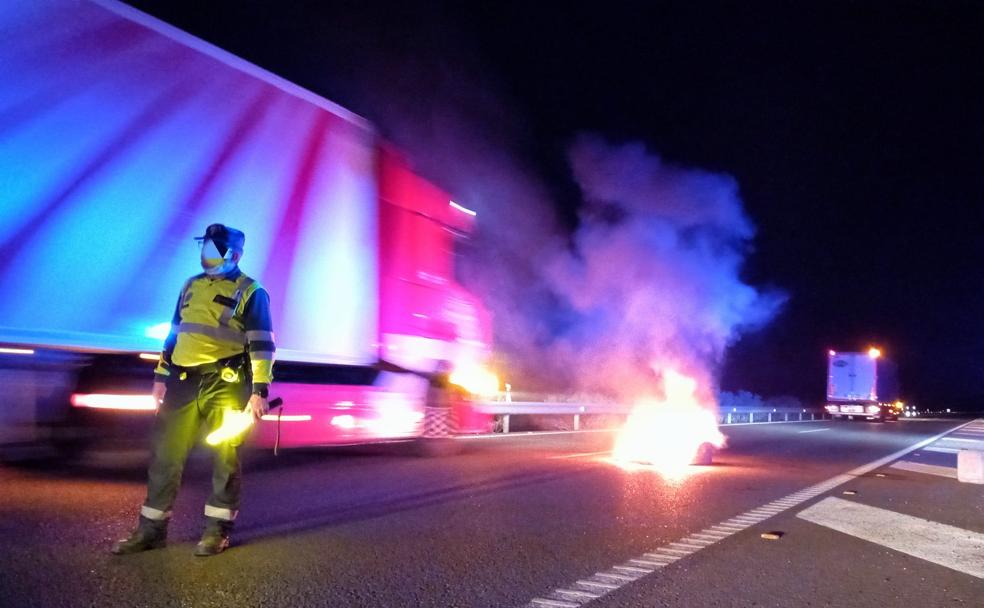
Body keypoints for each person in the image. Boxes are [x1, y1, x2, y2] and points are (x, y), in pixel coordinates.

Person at [112, 223, 274, 557]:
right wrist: (161, 376)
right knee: (165, 456)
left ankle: (217, 532)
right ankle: (151, 532)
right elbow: (174, 333)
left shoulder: (251, 291)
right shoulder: (190, 286)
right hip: (182, 382)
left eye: (215, 251)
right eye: (205, 249)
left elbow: (261, 345)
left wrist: (259, 391)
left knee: (225, 457)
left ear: (235, 254)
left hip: (225, 384)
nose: (207, 256)